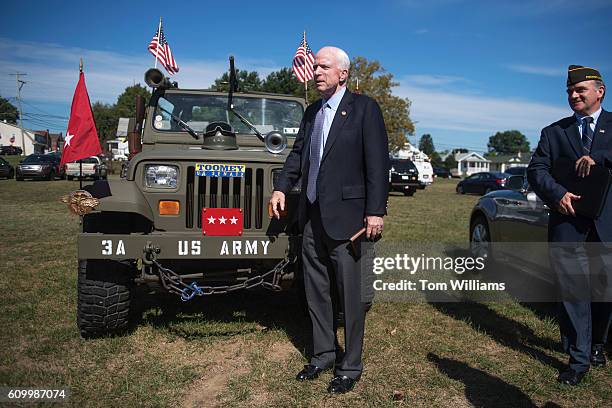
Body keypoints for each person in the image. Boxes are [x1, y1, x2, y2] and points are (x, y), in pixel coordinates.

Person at [269, 46, 389, 394]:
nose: (317, 71)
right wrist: (281, 188)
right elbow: (297, 155)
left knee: (350, 296)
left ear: (342, 74)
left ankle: (350, 366)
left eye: (324, 67)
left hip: (350, 220)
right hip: (312, 218)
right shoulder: (311, 112)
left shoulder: (364, 109)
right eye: (315, 66)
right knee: (316, 290)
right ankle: (323, 354)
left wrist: (376, 211)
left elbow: (378, 164)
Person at [527, 65, 611, 386]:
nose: (574, 96)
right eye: (570, 92)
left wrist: (599, 157)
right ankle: (578, 359)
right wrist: (557, 194)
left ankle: (596, 344)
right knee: (573, 292)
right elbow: (537, 170)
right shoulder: (554, 132)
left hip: (606, 225)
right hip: (567, 225)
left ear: (599, 91)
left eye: (580, 90)